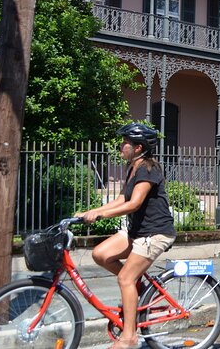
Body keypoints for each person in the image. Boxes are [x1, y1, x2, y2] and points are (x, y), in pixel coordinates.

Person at [76, 122, 176, 349]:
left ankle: (129, 337)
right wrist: (92, 212)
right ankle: (136, 289)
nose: (121, 146)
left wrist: (100, 217)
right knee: (101, 254)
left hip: (155, 233)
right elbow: (121, 199)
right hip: (136, 231)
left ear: (138, 148)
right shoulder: (133, 168)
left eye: (125, 143)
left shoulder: (148, 169)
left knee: (125, 278)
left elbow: (134, 203)